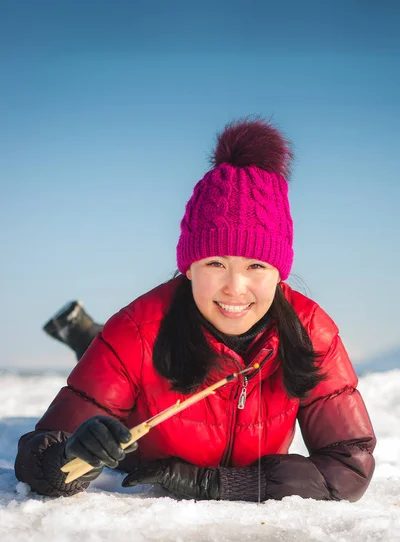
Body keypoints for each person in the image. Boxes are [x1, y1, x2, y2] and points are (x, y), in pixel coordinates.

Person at [15, 118, 376, 502]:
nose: (235, 288)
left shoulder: (311, 330)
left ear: (279, 274)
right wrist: (71, 455)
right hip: (135, 359)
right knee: (111, 359)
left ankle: (84, 333)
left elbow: (349, 466)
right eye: (216, 264)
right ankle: (86, 335)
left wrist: (215, 484)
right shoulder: (137, 330)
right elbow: (41, 458)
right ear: (189, 267)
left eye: (256, 266)